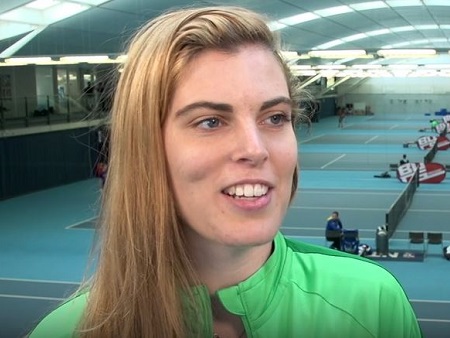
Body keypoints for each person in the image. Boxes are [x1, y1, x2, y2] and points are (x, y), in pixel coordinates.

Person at [29, 6, 422, 338]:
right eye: (210, 122)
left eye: (274, 117)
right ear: (146, 147)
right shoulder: (65, 331)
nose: (255, 150)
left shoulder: (373, 307)